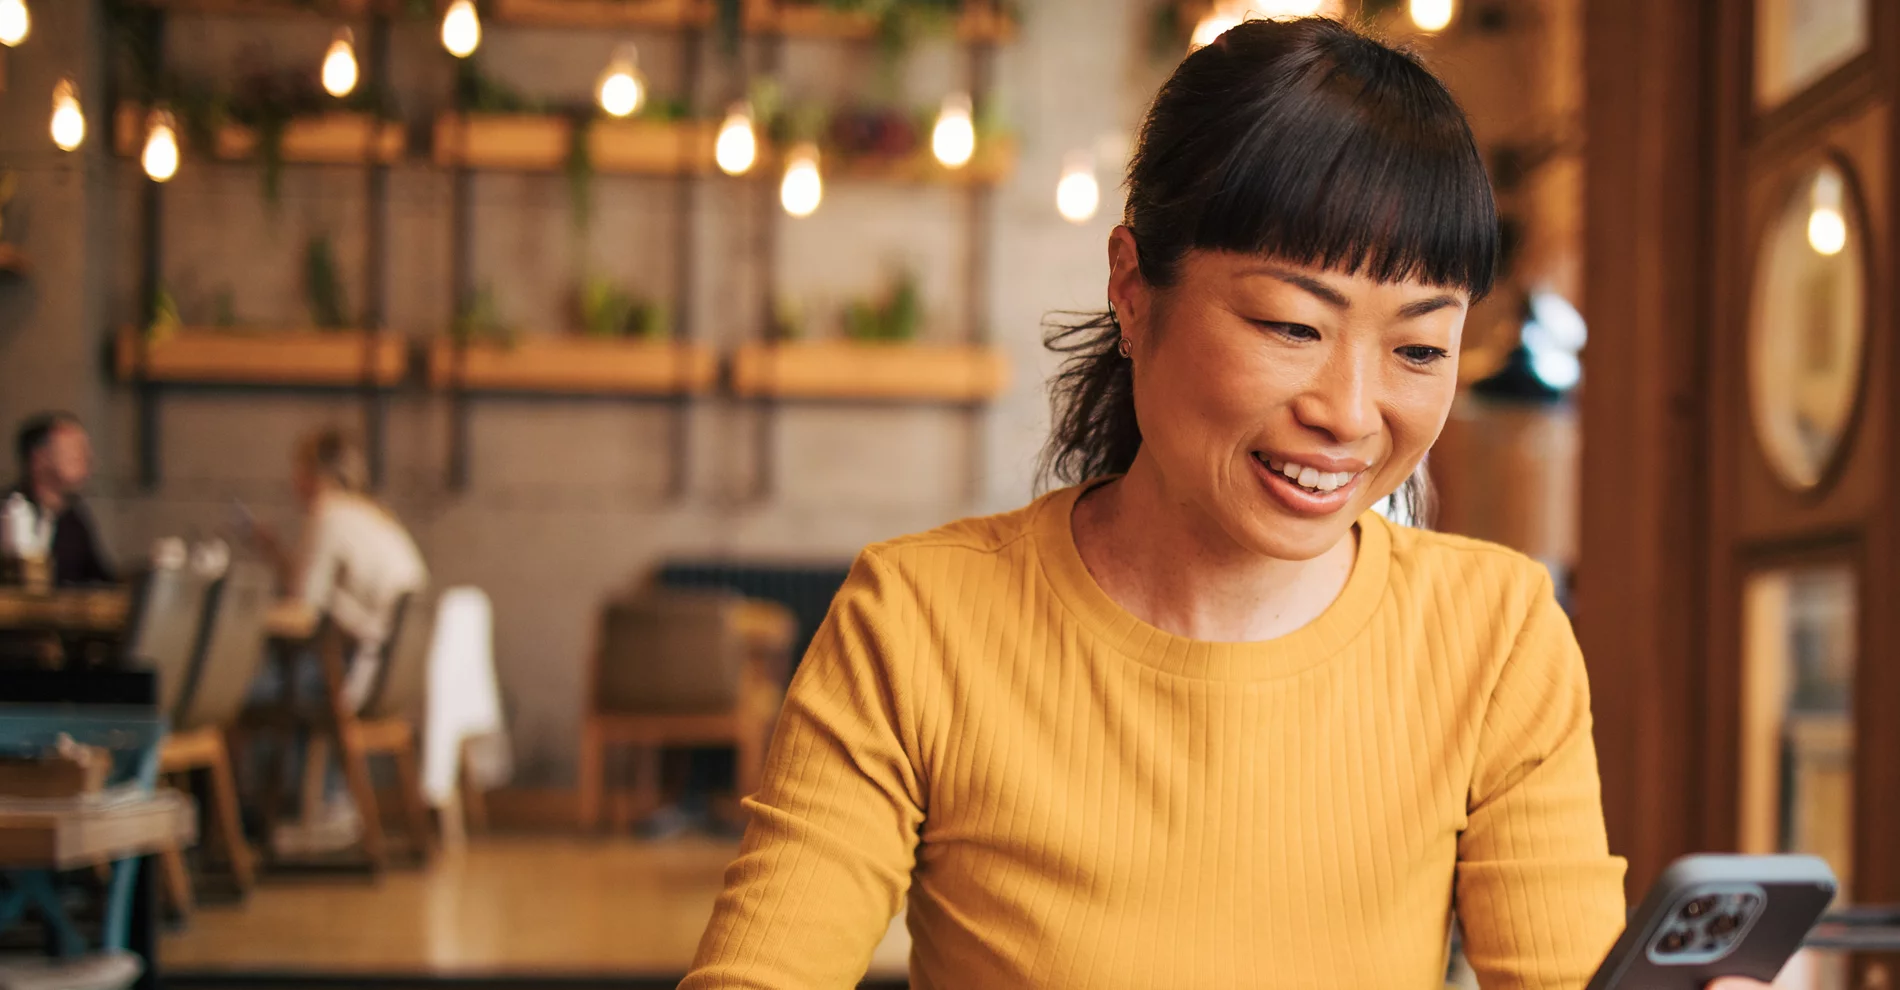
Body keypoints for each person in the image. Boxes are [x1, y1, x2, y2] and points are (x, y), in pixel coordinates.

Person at [683, 19, 1766, 990]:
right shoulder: (917, 619)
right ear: (1130, 287)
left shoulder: (1494, 636)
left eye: (1418, 347)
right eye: (1290, 326)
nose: (1348, 413)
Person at [247, 427, 427, 850]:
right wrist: (279, 555)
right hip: (390, 674)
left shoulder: (328, 514)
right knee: (292, 679)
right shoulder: (376, 515)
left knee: (247, 689)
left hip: (352, 671)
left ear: (312, 473)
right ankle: (321, 803)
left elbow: (303, 607)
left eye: (297, 468)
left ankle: (254, 818)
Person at [9, 412, 113, 586]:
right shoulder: (9, 511)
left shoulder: (73, 520)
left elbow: (100, 581)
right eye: (74, 450)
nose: (86, 459)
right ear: (39, 457)